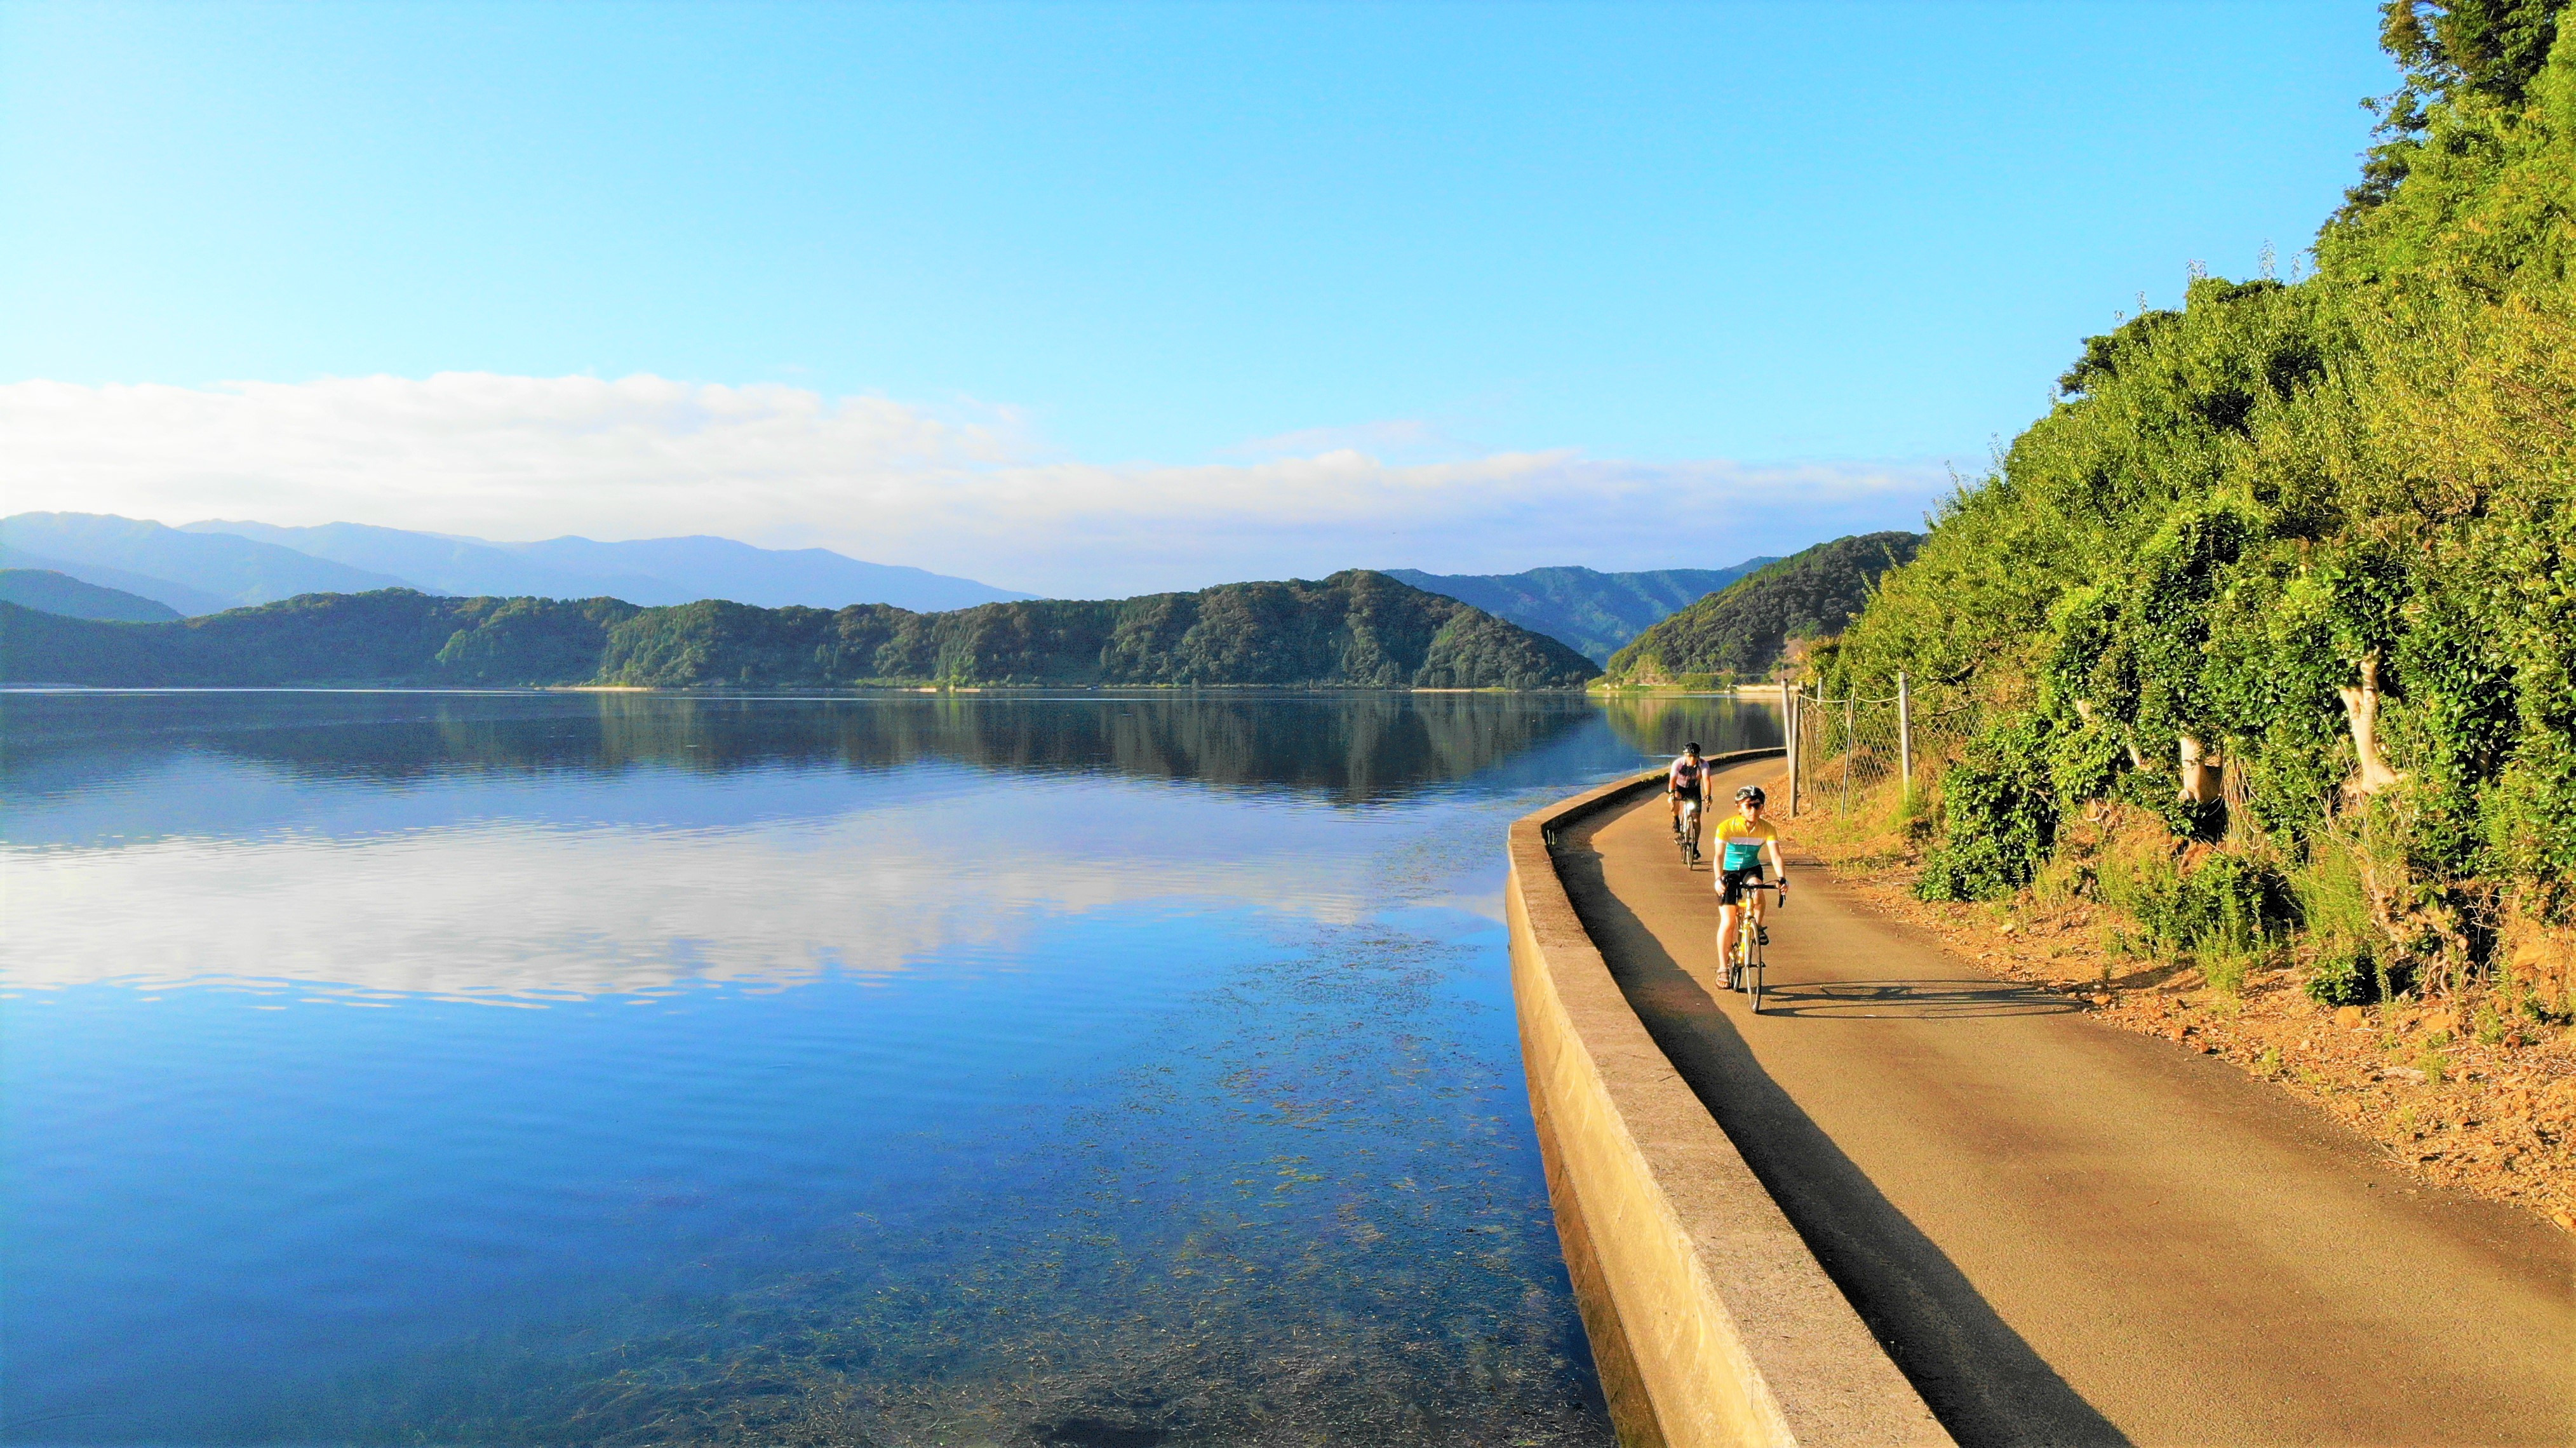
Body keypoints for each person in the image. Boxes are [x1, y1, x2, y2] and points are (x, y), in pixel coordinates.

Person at [1712, 785, 1788, 974]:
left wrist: (1782, 878)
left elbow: (1776, 856)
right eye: (1748, 806)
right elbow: (1719, 857)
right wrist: (1718, 878)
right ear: (1739, 807)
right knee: (1728, 922)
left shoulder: (1767, 829)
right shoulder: (1726, 827)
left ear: (1762, 807)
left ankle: (1758, 926)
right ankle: (1723, 968)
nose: (1753, 810)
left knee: (1757, 888)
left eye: (1758, 805)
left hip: (1751, 869)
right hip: (1729, 872)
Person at [1666, 743, 1707, 837]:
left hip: (1694, 789)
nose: (1692, 759)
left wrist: (1708, 796)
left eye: (1695, 756)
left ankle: (1695, 847)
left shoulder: (1703, 764)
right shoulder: (1678, 763)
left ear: (1698, 756)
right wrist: (1671, 794)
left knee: (1696, 819)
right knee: (1675, 799)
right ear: (1685, 755)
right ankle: (1676, 819)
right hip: (1679, 787)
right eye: (1690, 756)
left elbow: (1707, 781)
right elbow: (1672, 780)